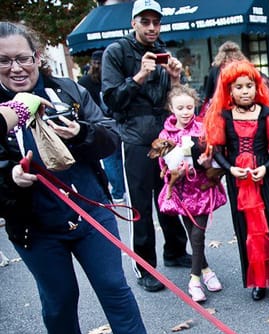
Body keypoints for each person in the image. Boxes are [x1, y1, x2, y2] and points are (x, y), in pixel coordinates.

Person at [0, 22, 160, 334]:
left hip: (90, 211)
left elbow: (109, 136)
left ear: (37, 58)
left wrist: (83, 134)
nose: (16, 68)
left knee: (113, 286)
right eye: (4, 61)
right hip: (34, 225)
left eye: (23, 58)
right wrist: (10, 179)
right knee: (57, 297)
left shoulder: (68, 91)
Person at [101, 0, 191, 293]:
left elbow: (177, 101)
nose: (152, 27)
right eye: (146, 22)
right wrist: (139, 75)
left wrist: (176, 79)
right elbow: (112, 100)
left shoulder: (164, 51)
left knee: (170, 194)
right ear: (134, 23)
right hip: (135, 138)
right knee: (140, 204)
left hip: (164, 136)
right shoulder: (116, 52)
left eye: (156, 22)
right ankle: (145, 267)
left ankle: (175, 252)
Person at [204, 60, 269, 301]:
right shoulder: (223, 116)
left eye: (249, 85)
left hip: (263, 179)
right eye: (238, 86)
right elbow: (217, 150)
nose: (244, 91)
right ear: (229, 89)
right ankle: (259, 281)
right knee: (246, 229)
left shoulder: (267, 113)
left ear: (256, 87)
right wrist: (231, 170)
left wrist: (266, 168)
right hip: (239, 182)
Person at [156, 85, 227, 302]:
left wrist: (208, 162)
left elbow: (215, 154)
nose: (186, 112)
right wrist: (170, 169)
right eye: (180, 108)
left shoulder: (202, 128)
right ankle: (206, 270)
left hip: (202, 189)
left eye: (189, 107)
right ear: (171, 108)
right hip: (181, 191)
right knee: (193, 236)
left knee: (198, 234)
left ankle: (194, 280)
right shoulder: (165, 134)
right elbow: (162, 162)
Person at [79, 49, 126, 203]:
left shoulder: (85, 82)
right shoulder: (110, 78)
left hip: (100, 124)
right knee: (116, 157)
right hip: (114, 121)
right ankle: (121, 190)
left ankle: (119, 191)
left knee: (111, 159)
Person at [200, 41, 246, 116]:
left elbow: (208, 92)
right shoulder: (243, 67)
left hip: (220, 106)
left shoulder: (215, 69)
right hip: (240, 104)